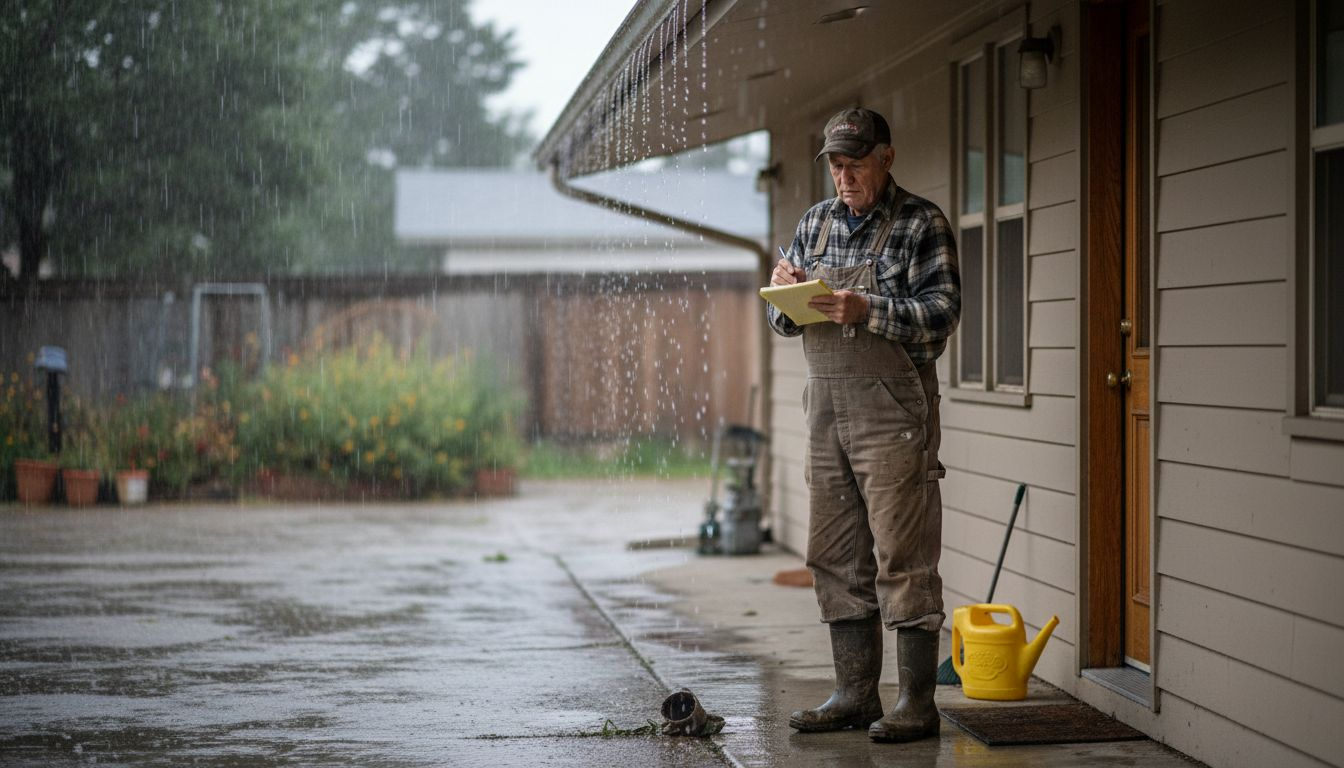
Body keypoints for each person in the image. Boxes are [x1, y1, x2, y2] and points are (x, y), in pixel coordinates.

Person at [768, 107, 960, 743]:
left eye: (855, 162)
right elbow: (783, 323)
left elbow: (940, 316)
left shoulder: (920, 222)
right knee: (835, 551)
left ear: (888, 156)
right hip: (824, 408)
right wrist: (784, 296)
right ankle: (854, 694)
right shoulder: (814, 223)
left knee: (902, 555)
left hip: (892, 410)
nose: (844, 175)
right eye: (835, 164)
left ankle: (915, 702)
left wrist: (867, 308)